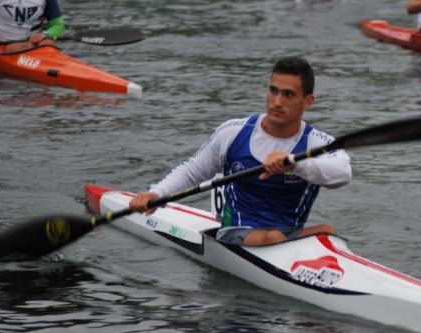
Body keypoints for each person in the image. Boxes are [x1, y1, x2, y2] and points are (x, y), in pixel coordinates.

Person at [129, 56, 352, 247]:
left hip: (287, 235)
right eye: (273, 91)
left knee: (327, 232)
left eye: (288, 95)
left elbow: (342, 174)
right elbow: (192, 171)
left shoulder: (317, 142)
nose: (277, 101)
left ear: (308, 101)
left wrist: (296, 163)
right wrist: (156, 194)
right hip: (234, 233)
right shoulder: (234, 132)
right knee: (272, 237)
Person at [0, 0, 65, 53]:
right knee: (25, 47)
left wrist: (45, 34)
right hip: (1, 46)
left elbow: (58, 25)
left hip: (35, 44)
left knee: (47, 43)